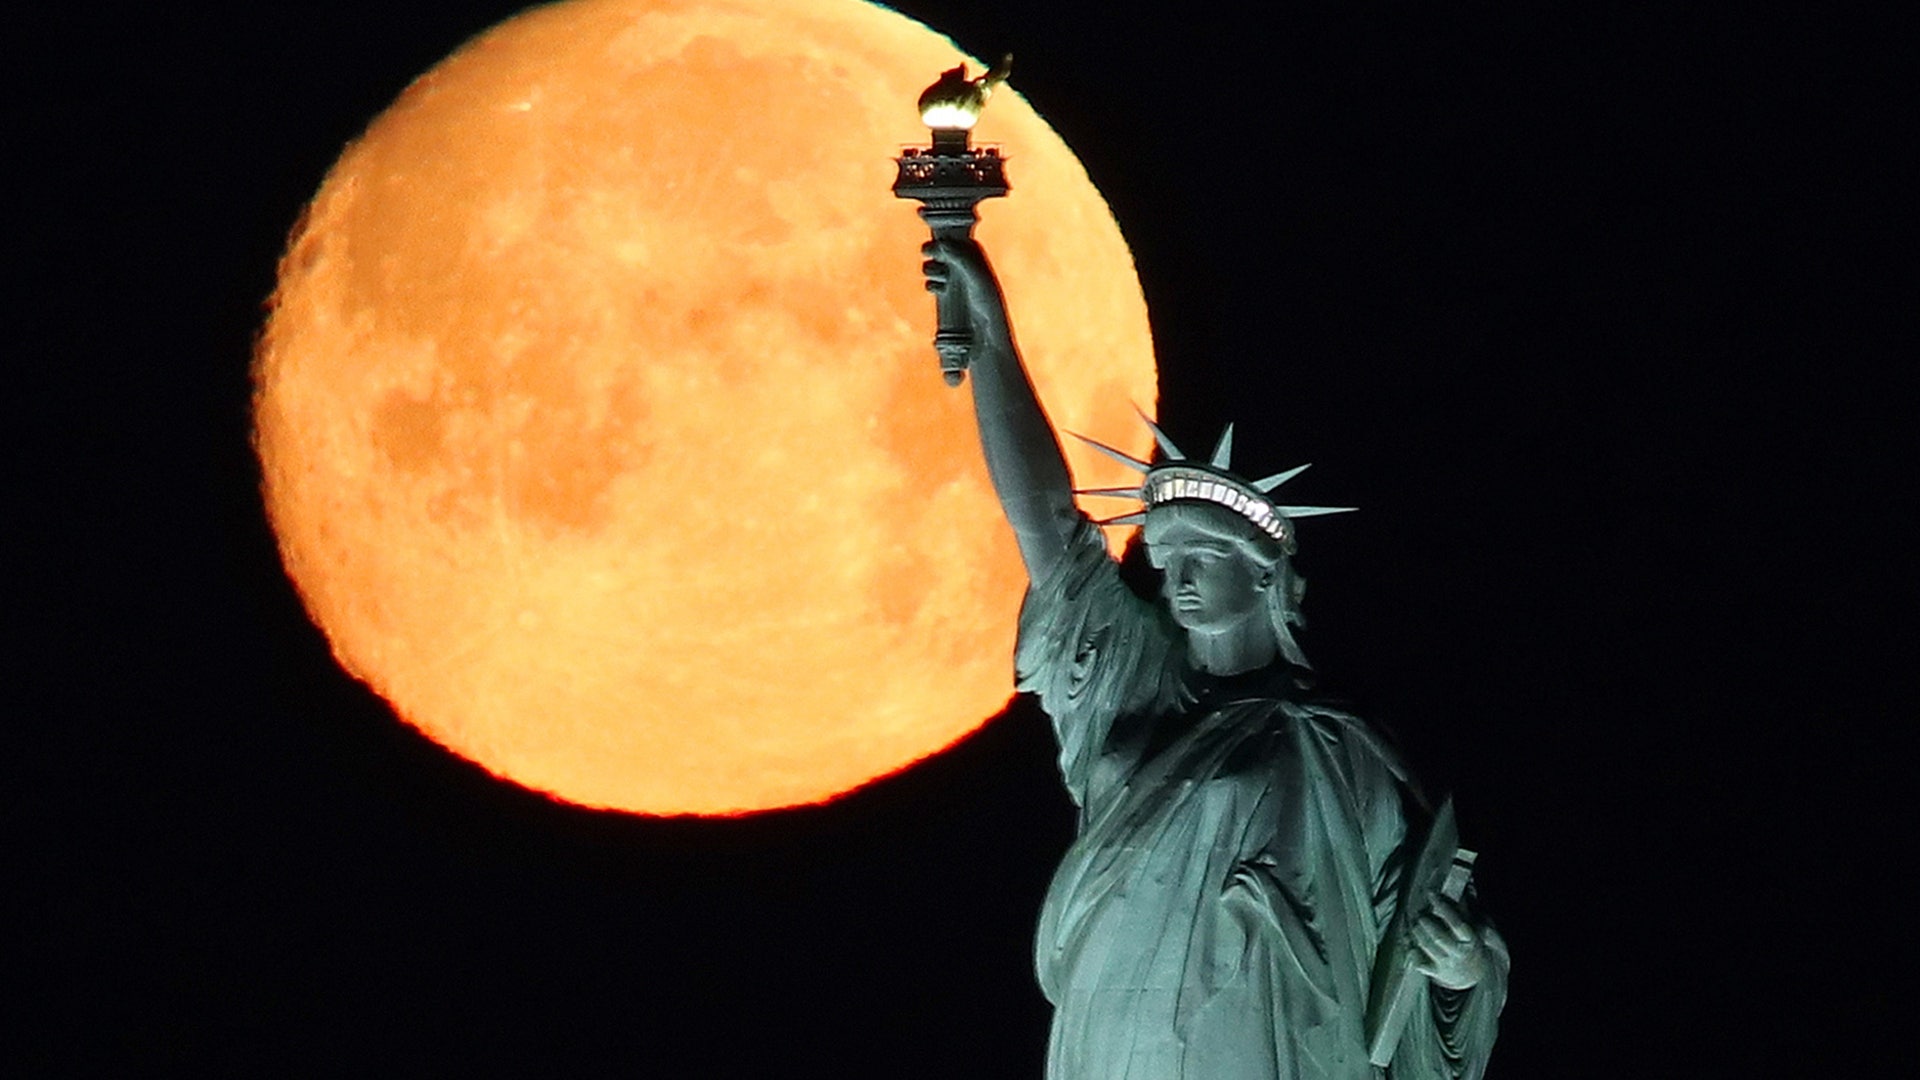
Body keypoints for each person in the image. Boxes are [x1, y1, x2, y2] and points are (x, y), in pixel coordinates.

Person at [922, 238, 1508, 1079]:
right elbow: (1048, 530)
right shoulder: (1134, 685)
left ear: (1265, 574)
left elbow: (1404, 926)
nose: (1177, 577)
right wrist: (990, 340)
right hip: (1113, 1031)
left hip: (1270, 1040)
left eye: (1202, 556)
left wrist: (1461, 971)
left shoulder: (1342, 748)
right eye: (1163, 558)